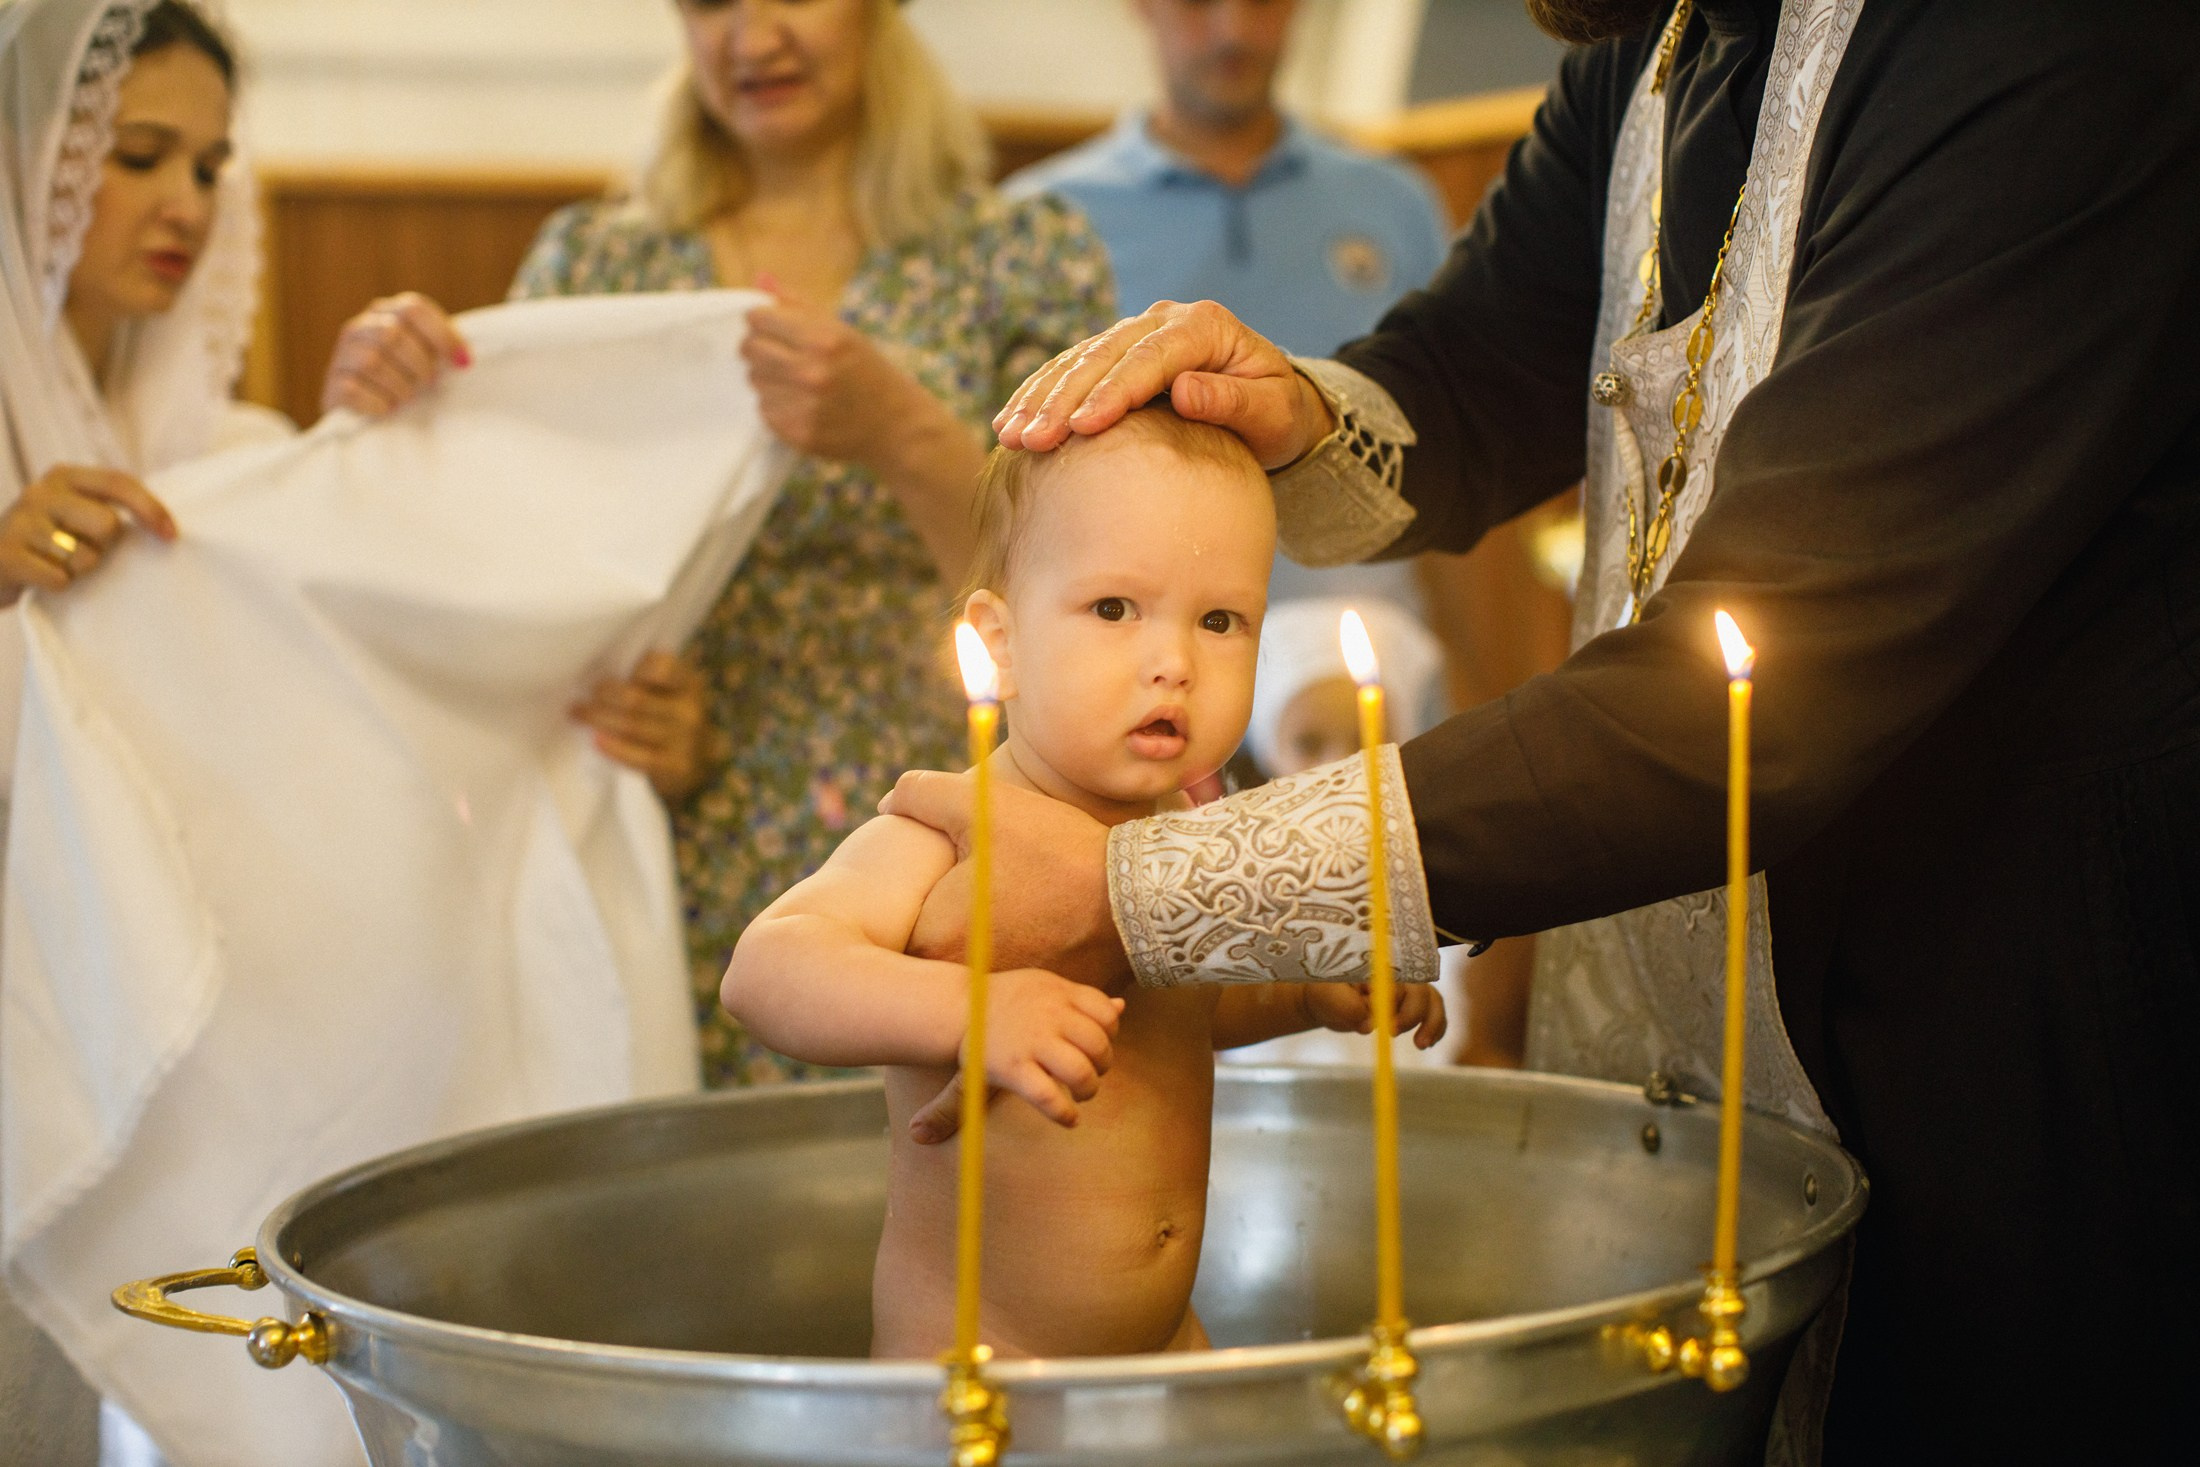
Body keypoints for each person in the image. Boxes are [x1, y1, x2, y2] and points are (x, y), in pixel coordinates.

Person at [878, 0, 2200, 1458]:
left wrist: (1143, 890)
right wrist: (1294, 413)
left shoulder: (2053, 38)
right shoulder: (1656, 36)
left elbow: (1764, 687)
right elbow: (1478, 371)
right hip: (1685, 997)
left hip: (2000, 1024)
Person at [327, 0, 1115, 1088]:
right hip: (661, 824)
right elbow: (499, 555)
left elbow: (1087, 573)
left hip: (934, 826)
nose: (752, 38)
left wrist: (900, 431)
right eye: (708, 2)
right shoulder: (598, 260)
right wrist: (382, 413)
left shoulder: (1018, 253)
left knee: (945, 1215)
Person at [722, 404, 1444, 1359]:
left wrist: (1306, 991)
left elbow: (1181, 1011)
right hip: (987, 1359)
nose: (1173, 663)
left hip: (1166, 1340)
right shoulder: (957, 832)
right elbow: (766, 972)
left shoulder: (1184, 838)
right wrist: (969, 1010)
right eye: (1114, 609)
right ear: (1004, 640)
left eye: (1221, 620)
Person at [0, 4, 271, 1462]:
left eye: (212, 166)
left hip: (139, 1010)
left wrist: (394, 435)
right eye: (142, 154)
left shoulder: (203, 444)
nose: (185, 203)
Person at [1005, 0, 1446, 618]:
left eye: (1261, 0)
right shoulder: (1037, 222)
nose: (1233, 30)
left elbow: (1445, 443)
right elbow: (1009, 493)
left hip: (1368, 649)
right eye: (1197, 2)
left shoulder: (1395, 203)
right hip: (1146, 664)